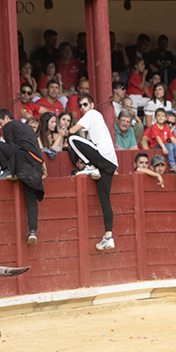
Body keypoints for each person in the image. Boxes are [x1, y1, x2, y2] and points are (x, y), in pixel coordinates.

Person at [66, 95, 119, 251]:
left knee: (71, 138)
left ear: (92, 105)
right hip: (110, 164)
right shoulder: (95, 119)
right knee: (104, 199)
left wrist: (64, 132)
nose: (83, 108)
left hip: (101, 157)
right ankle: (108, 237)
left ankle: (89, 166)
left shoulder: (92, 113)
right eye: (80, 106)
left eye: (85, 104)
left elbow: (72, 131)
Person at [0, 109, 45, 244]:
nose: (0, 127)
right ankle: (32, 231)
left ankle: (7, 170)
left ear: (6, 117)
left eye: (0, 123)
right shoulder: (26, 128)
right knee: (30, 199)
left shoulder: (9, 125)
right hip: (35, 164)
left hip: (23, 159)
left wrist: (12, 167)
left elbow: (12, 147)